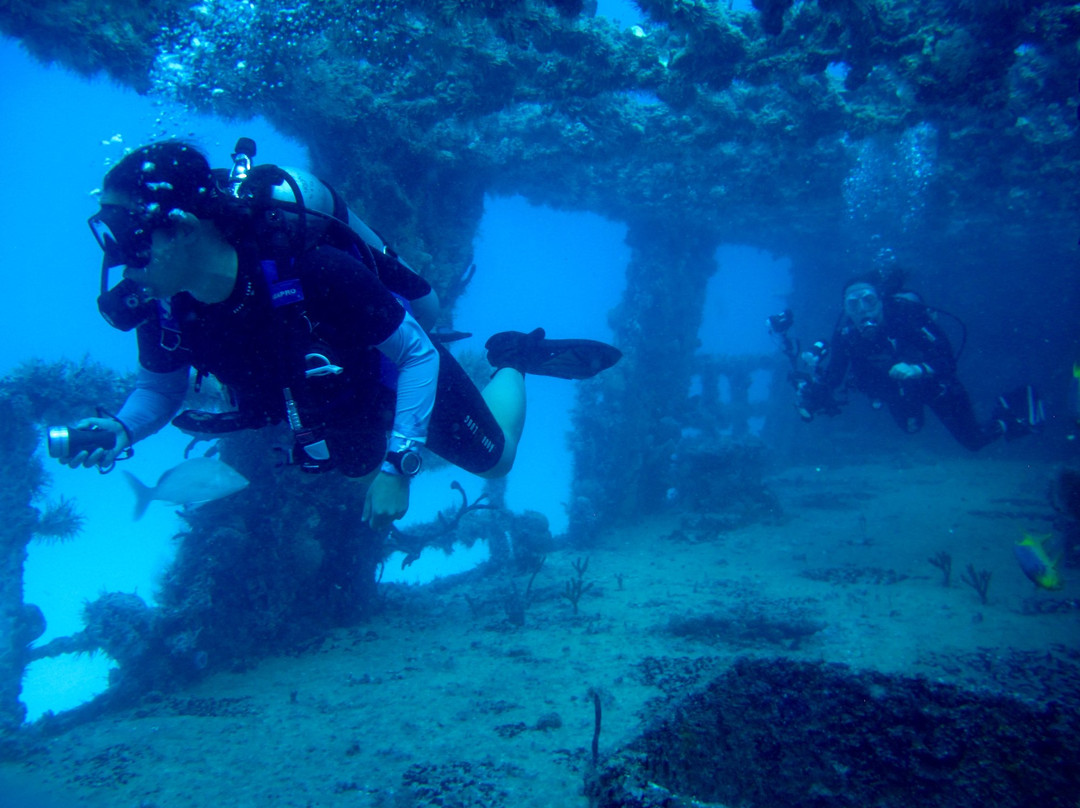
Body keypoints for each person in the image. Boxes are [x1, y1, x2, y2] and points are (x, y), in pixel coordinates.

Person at [66, 141, 621, 530]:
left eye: (123, 235)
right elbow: (159, 391)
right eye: (107, 236)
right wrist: (121, 427)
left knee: (496, 460)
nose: (116, 260)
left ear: (183, 228)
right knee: (356, 471)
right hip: (329, 401)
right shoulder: (163, 308)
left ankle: (512, 357)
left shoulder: (314, 269)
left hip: (391, 373)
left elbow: (418, 355)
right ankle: (388, 449)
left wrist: (400, 466)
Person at [795, 270, 1043, 450]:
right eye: (853, 304)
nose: (863, 310)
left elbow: (946, 358)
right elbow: (835, 379)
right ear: (846, 309)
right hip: (896, 394)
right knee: (911, 429)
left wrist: (917, 369)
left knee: (974, 441)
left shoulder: (907, 316)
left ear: (880, 300)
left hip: (937, 387)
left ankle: (1011, 411)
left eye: (868, 300)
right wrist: (813, 384)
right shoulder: (846, 335)